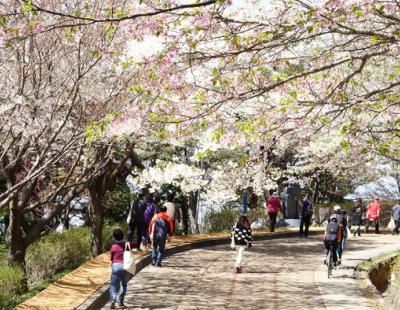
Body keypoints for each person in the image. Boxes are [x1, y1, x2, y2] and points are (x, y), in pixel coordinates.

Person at [109, 228, 137, 309]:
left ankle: (113, 299)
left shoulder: (113, 246)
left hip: (116, 266)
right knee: (123, 284)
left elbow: (111, 258)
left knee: (113, 285)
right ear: (123, 235)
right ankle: (120, 302)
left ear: (114, 237)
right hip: (125, 265)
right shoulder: (127, 244)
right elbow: (134, 245)